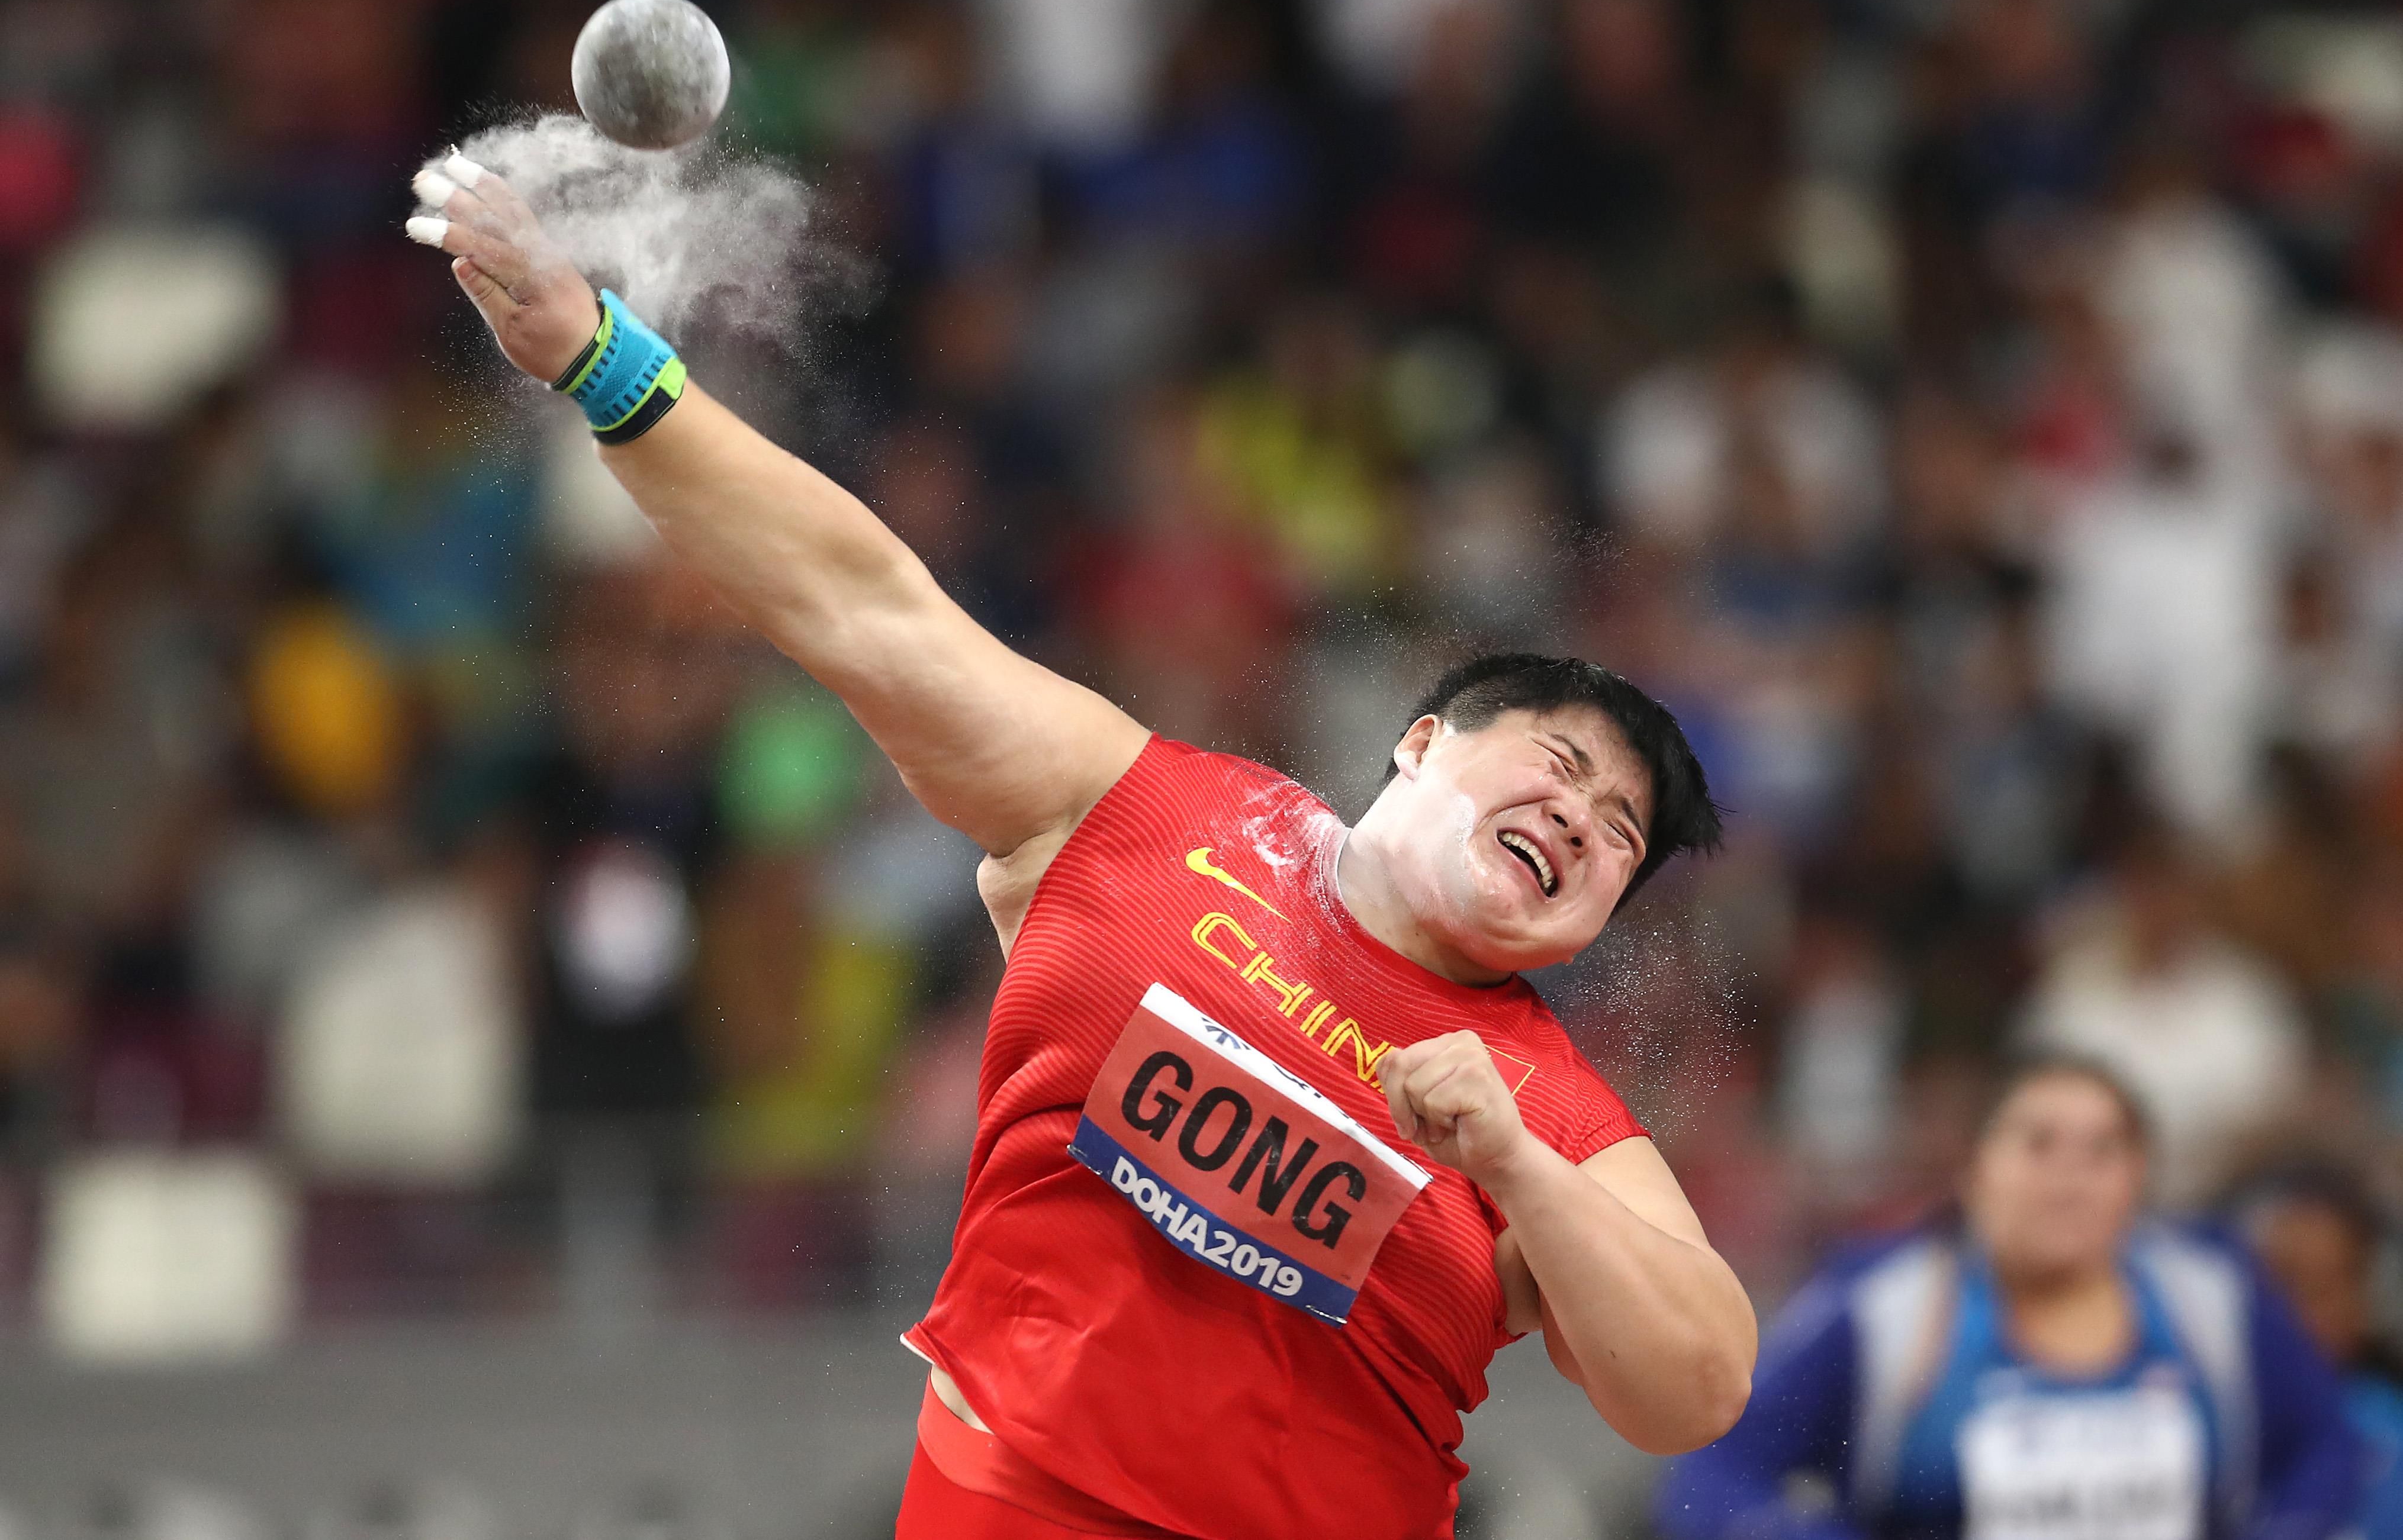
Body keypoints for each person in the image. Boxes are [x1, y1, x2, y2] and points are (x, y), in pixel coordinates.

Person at [404, 153, 1755, 1539]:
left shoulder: (1542, 1099)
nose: (1581, 821)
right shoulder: (1140, 808)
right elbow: (865, 603)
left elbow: (1696, 1384)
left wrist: (1518, 1167)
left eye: (1616, 835)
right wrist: (601, 362)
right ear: (1418, 740)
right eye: (1564, 762)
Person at [1655, 1051, 2361, 1540]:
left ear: (2138, 1178)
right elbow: (1715, 1471)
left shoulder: (2211, 1297)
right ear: (1976, 1168)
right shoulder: (1882, 1309)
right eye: (2039, 1144)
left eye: (2103, 1149)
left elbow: (2327, 1448)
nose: (2070, 1176)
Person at [2232, 1161, 2403, 1539]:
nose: (2293, 1315)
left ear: (2363, 1302)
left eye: (2322, 1289)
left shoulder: (2389, 1430)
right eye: (2275, 1287)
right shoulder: (2211, 1428)